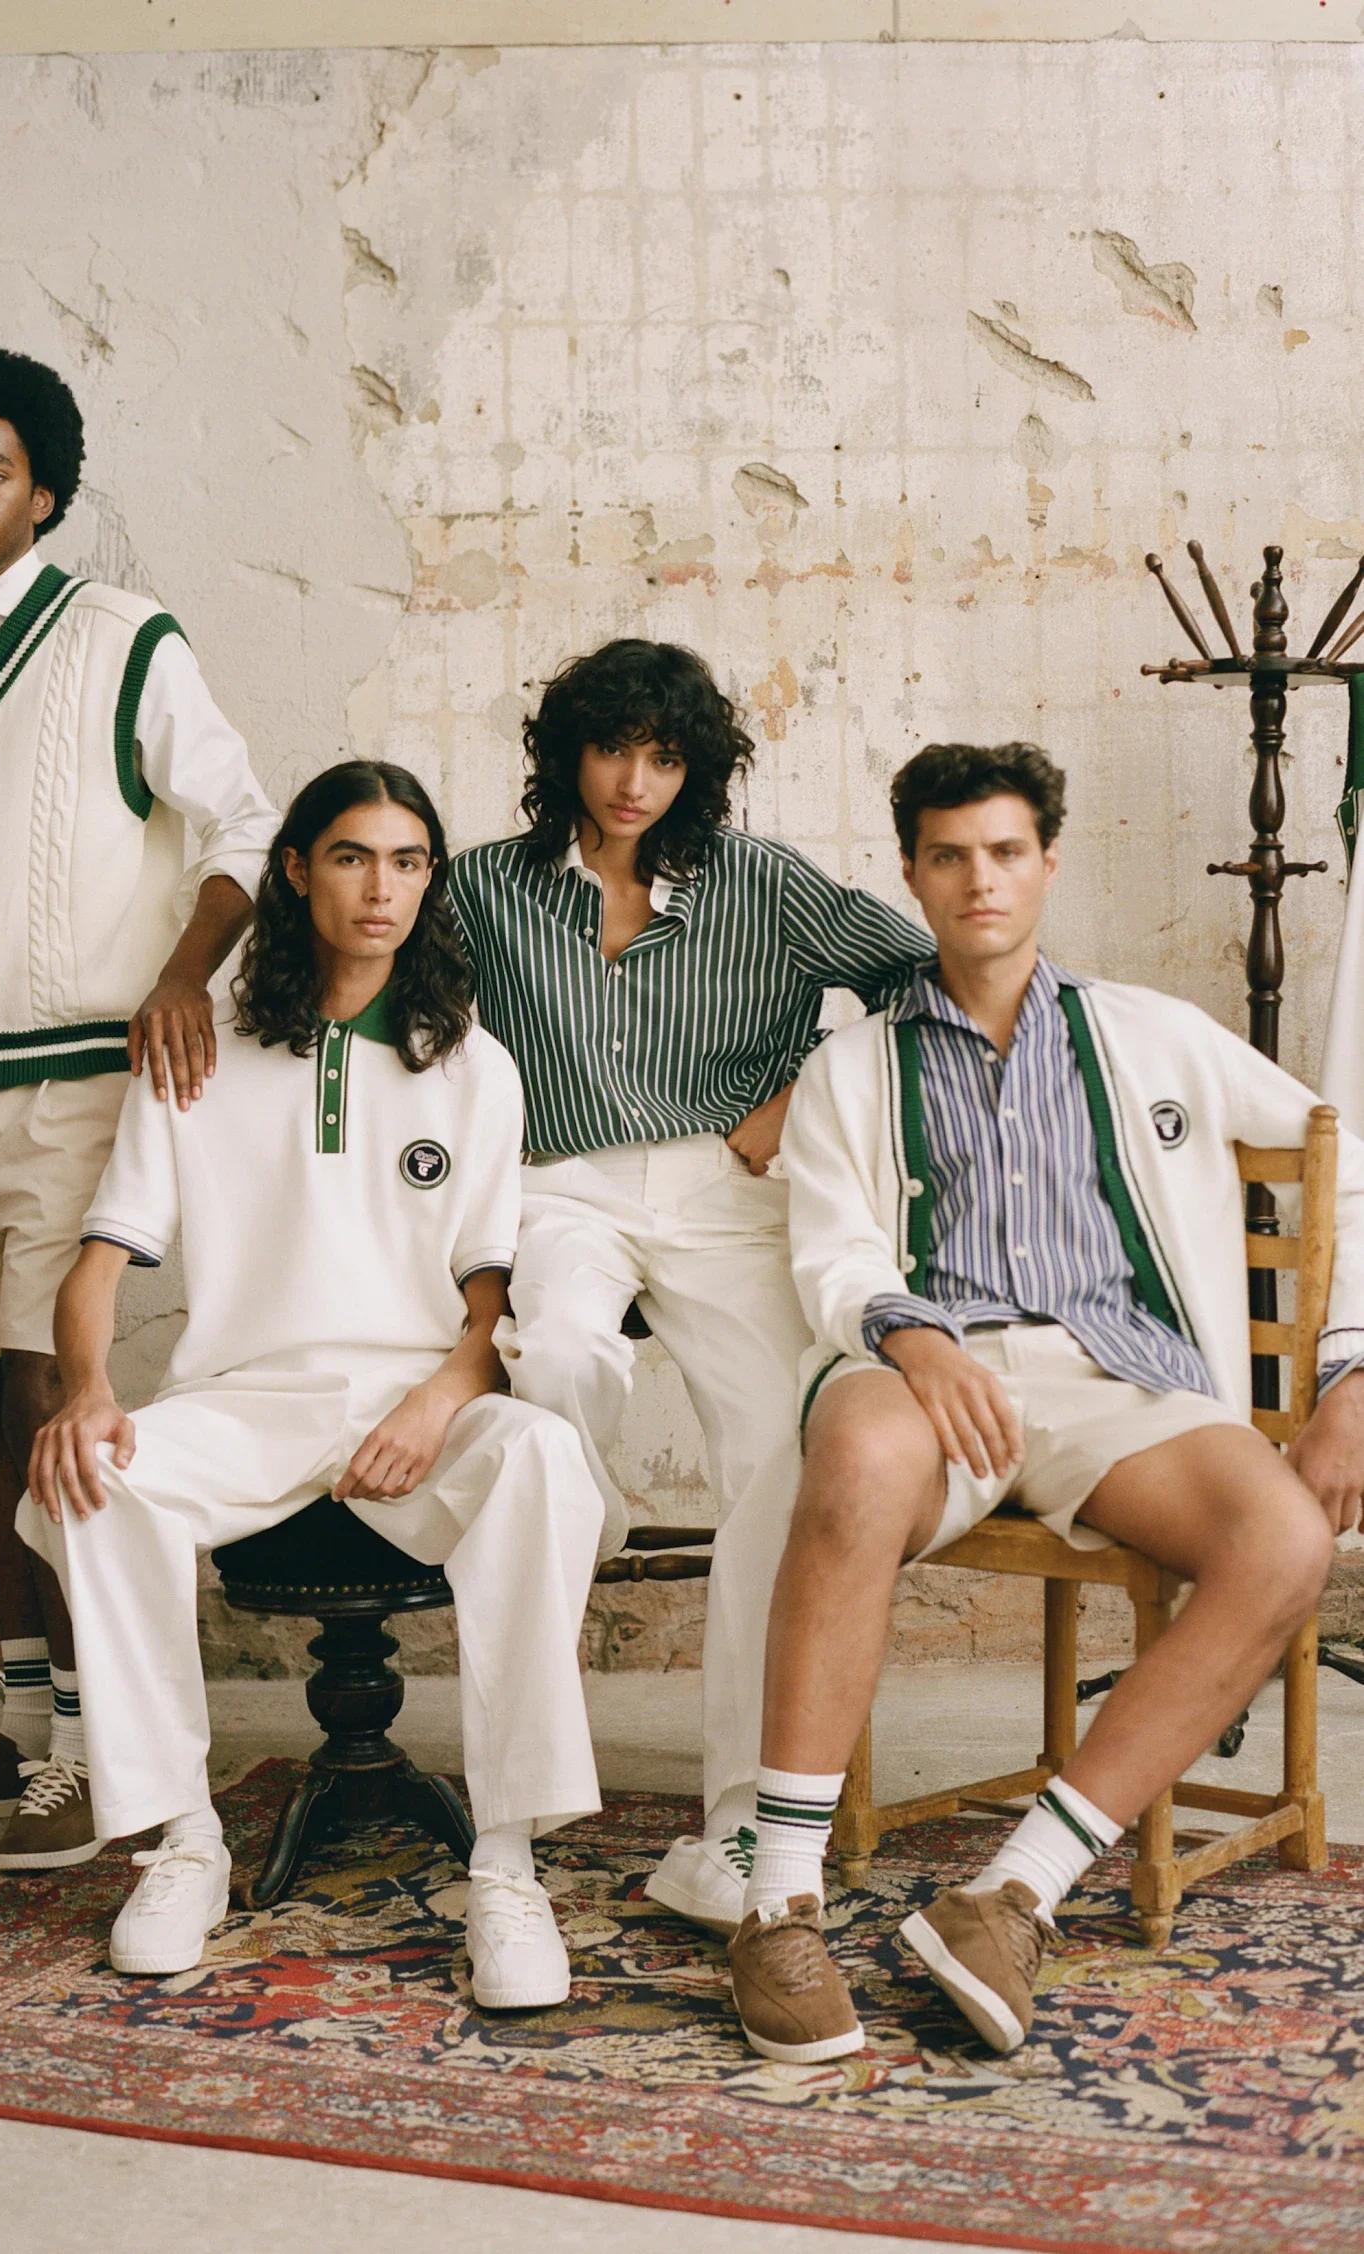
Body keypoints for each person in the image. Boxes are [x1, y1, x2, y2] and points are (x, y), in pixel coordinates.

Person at [727, 739, 1363, 2064]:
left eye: (1006, 852)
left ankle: (1012, 1894)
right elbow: (836, 1255)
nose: (981, 880)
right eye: (950, 856)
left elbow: (1340, 1159)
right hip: (928, 1372)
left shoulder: (1149, 1031)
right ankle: (776, 1904)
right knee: (855, 1452)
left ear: (1048, 863)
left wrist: (1351, 1374)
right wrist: (915, 1339)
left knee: (1286, 1539)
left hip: (1114, 1379)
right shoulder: (857, 1064)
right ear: (913, 874)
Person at [16, 762, 606, 2000]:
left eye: (407, 861)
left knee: (546, 1456)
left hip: (416, 1401)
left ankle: (505, 1866)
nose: (380, 887)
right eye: (351, 856)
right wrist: (86, 1390)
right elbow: (98, 1262)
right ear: (295, 870)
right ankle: (182, 1841)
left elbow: (489, 1296)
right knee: (87, 1478)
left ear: (429, 881)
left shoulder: (474, 1067)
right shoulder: (202, 1057)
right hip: (246, 1400)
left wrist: (440, 1398)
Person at [0, 345, 278, 1870]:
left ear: (45, 492)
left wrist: (181, 979)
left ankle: (107, 1748)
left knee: (51, 1405)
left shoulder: (122, 642)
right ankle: (29, 1724)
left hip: (74, 1087)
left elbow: (246, 828)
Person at [448, 640, 930, 1934]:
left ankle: (744, 1817)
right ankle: (583, 1506)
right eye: (612, 749)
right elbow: (403, 1017)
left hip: (725, 1188)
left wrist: (800, 1096)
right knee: (558, 1357)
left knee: (779, 1451)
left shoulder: (760, 882)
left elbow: (923, 973)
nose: (633, 780)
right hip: (561, 1185)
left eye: (663, 757)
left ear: (695, 769)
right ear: (567, 753)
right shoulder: (485, 887)